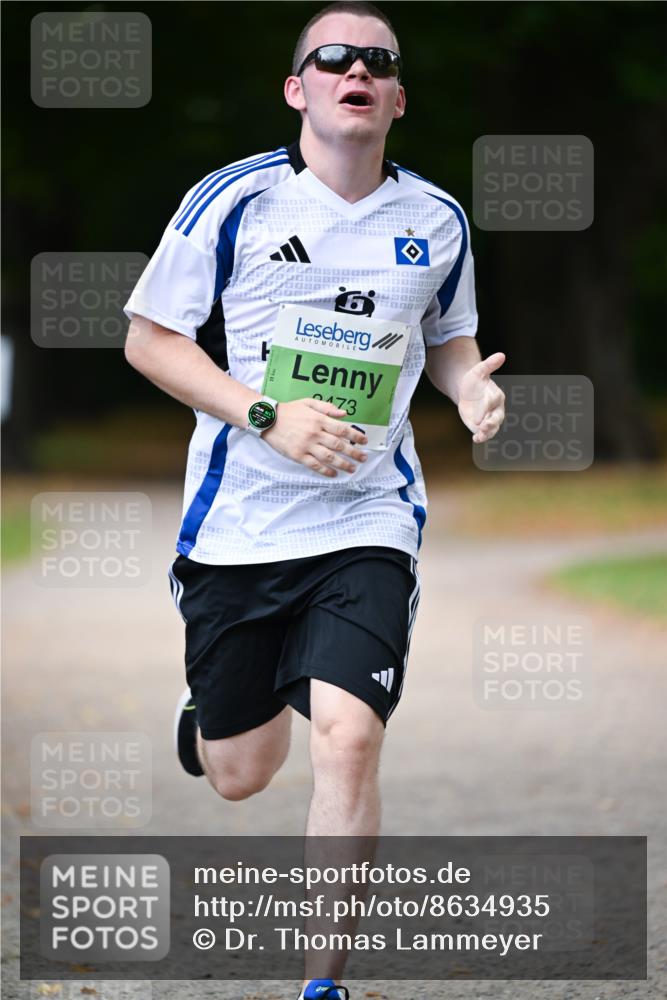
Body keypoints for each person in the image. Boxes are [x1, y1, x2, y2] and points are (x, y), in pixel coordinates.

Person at [124, 3, 505, 997]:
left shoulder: (435, 220)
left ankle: (320, 984)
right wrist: (265, 414)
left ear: (396, 98)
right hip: (241, 524)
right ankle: (212, 707)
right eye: (332, 58)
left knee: (349, 732)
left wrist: (469, 389)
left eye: (378, 62)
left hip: (367, 520)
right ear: (298, 89)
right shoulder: (233, 202)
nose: (357, 70)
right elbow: (150, 339)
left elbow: (448, 340)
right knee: (240, 770)